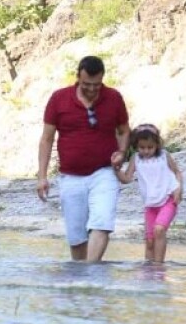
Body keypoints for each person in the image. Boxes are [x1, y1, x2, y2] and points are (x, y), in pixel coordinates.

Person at [37, 55, 130, 262]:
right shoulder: (58, 98)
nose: (91, 89)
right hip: (71, 176)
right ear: (77, 76)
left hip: (105, 171)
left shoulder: (114, 98)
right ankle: (81, 284)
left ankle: (90, 273)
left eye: (97, 85)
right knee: (76, 235)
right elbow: (46, 139)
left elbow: (124, 131)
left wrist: (122, 152)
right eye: (87, 84)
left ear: (103, 79)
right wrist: (42, 176)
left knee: (102, 222)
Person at [114, 124, 184, 263]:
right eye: (142, 147)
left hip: (168, 199)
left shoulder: (164, 156)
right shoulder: (136, 158)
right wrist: (115, 169)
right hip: (150, 205)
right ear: (136, 146)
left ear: (157, 145)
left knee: (159, 229)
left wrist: (179, 189)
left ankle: (159, 267)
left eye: (150, 147)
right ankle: (148, 272)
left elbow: (177, 172)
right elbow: (127, 178)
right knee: (150, 240)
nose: (146, 151)